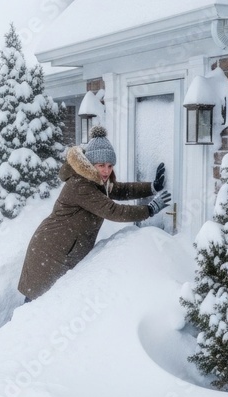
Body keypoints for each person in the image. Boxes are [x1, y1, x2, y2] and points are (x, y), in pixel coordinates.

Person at [17, 126, 171, 301]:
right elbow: (112, 210)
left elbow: (119, 190)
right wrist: (149, 210)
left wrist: (152, 187)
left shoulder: (94, 180)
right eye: (101, 165)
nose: (106, 171)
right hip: (51, 253)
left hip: (62, 249)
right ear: (90, 164)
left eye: (110, 166)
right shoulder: (80, 185)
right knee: (35, 309)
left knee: (46, 307)